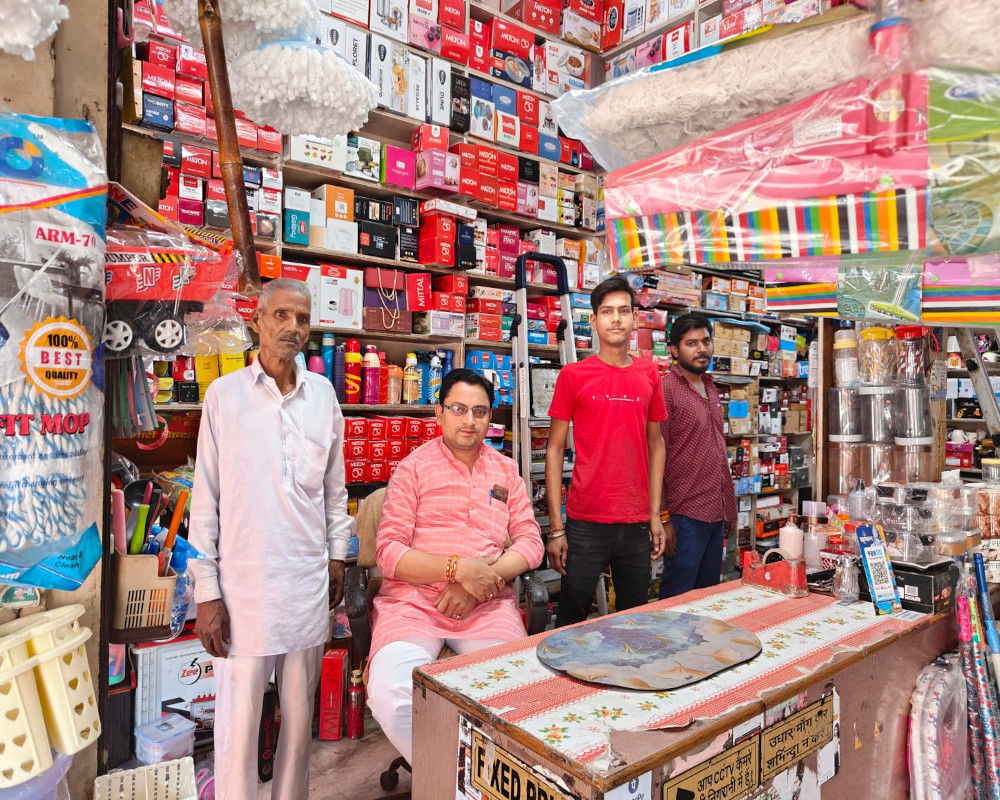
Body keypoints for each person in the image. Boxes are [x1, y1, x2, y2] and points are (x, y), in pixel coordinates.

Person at [189, 279, 355, 800]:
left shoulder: (323, 396)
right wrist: (206, 592)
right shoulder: (225, 397)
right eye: (281, 316)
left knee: (299, 720)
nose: (293, 328)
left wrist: (337, 558)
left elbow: (335, 491)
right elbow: (205, 501)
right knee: (237, 725)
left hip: (305, 582)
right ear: (256, 321)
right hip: (243, 587)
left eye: (302, 319)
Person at [367, 369, 544, 764]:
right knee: (391, 693)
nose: (469, 420)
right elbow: (390, 553)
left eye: (479, 411)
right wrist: (457, 570)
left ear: (490, 417)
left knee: (516, 687)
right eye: (459, 409)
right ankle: (447, 777)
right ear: (439, 413)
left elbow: (532, 543)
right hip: (412, 605)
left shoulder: (505, 471)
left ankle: (482, 775)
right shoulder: (412, 468)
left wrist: (483, 581)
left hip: (486, 605)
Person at [545, 275, 667, 628]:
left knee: (634, 619)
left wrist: (655, 514)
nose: (616, 318)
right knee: (572, 618)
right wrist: (556, 529)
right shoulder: (574, 374)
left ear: (634, 319)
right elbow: (554, 450)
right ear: (595, 321)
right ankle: (564, 686)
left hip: (636, 522)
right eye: (607, 311)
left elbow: (656, 443)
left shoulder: (649, 373)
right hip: (586, 522)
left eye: (624, 311)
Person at [658, 313, 737, 599]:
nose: (701, 349)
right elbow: (656, 457)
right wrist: (664, 518)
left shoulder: (711, 388)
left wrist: (728, 508)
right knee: (677, 597)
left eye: (705, 341)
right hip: (684, 515)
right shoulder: (666, 389)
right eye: (691, 343)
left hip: (715, 512)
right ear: (675, 350)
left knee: (707, 598)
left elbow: (717, 451)